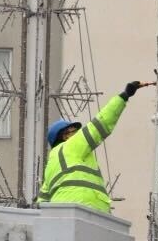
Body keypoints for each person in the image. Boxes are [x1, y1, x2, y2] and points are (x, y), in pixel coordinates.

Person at [37, 83, 141, 214]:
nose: (77, 133)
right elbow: (101, 123)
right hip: (86, 207)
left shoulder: (50, 165)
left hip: (62, 214)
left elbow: (42, 203)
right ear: (65, 136)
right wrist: (123, 96)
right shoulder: (71, 146)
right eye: (74, 131)